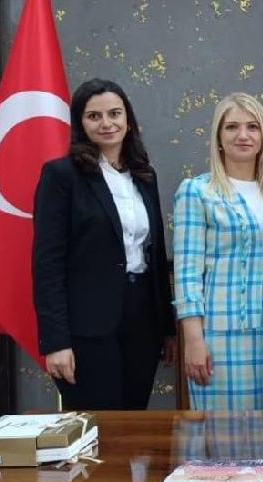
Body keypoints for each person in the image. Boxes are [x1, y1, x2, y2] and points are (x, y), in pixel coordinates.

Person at [33, 78, 176, 410]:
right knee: (98, 425)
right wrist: (55, 341)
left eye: (114, 113)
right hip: (87, 326)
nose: (107, 123)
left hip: (142, 319)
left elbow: (155, 256)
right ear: (80, 123)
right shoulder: (61, 176)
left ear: (128, 120)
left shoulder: (145, 175)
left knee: (132, 421)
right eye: (94, 116)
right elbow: (47, 264)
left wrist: (167, 329)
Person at [172, 92, 263, 410]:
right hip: (217, 332)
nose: (243, 135)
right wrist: (193, 339)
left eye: (252, 127)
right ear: (219, 137)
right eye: (232, 127)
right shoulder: (197, 192)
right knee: (222, 431)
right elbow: (187, 272)